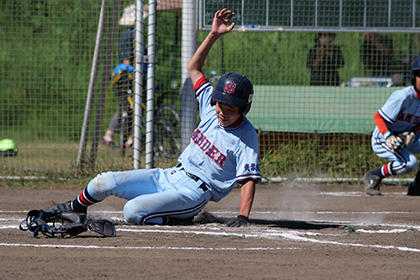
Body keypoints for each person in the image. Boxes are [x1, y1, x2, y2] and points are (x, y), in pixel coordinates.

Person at [46, 8, 261, 226]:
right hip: (169, 175)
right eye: (221, 105)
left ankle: (182, 217)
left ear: (244, 109)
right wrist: (213, 34)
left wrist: (243, 216)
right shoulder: (209, 107)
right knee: (104, 181)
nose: (223, 112)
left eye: (231, 109)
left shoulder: (245, 134)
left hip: (194, 193)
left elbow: (249, 180)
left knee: (132, 212)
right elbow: (194, 67)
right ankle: (75, 208)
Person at [363, 56, 420, 196]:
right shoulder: (404, 96)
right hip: (384, 137)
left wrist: (413, 133)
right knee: (410, 164)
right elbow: (378, 117)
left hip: (406, 138)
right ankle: (374, 175)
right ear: (414, 77)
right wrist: (388, 136)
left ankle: (417, 186)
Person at [102, 4, 148, 149]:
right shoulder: (130, 35)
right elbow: (127, 59)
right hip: (132, 78)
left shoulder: (132, 34)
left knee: (130, 108)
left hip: (136, 75)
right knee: (130, 107)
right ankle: (114, 136)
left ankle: (129, 138)